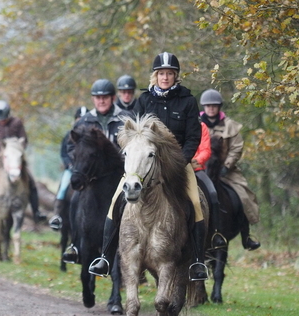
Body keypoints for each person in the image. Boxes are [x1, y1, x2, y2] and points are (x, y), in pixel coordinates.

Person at [88, 52, 209, 281]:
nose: (165, 77)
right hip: (144, 166)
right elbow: (133, 134)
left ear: (176, 76)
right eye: (162, 73)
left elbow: (193, 137)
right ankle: (104, 257)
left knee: (196, 201)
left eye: (170, 74)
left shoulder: (188, 101)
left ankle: (197, 261)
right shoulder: (145, 100)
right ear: (156, 75)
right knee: (116, 200)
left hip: (177, 166)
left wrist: (179, 162)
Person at [60, 79, 131, 263]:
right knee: (74, 199)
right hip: (92, 178)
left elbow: (134, 145)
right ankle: (75, 245)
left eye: (105, 97)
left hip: (119, 175)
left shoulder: (125, 118)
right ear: (93, 99)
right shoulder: (84, 120)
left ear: (113, 98)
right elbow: (71, 146)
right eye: (98, 98)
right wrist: (78, 165)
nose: (101, 101)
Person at [200, 89, 260, 250]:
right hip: (200, 169)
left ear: (219, 107)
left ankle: (246, 236)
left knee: (243, 195)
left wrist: (227, 166)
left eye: (214, 105)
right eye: (208, 106)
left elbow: (236, 149)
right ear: (204, 107)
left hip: (226, 171)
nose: (211, 108)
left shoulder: (230, 126)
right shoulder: (196, 124)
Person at [47, 106, 88, 231]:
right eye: (79, 118)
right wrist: (69, 164)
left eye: (84, 118)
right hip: (71, 169)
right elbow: (63, 153)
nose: (81, 120)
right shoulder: (68, 135)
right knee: (63, 187)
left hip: (87, 171)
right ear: (75, 119)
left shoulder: (90, 136)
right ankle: (57, 216)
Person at [191, 120, 227, 252]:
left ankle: (216, 233)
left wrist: (195, 161)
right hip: (177, 168)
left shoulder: (201, 127)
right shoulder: (173, 124)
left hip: (196, 168)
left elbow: (206, 150)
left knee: (212, 193)